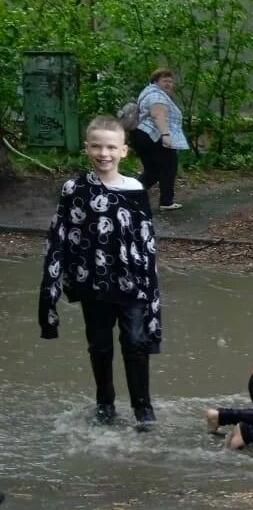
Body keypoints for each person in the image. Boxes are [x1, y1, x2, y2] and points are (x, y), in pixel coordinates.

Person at [40, 116, 161, 431]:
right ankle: (105, 404)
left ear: (123, 151)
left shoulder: (135, 189)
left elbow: (146, 241)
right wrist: (53, 286)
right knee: (100, 344)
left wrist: (150, 287)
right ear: (87, 148)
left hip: (131, 281)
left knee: (135, 342)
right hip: (92, 280)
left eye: (110, 147)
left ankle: (142, 408)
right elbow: (60, 236)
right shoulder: (74, 188)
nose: (103, 153)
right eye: (97, 146)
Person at [131, 68, 189, 211]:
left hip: (141, 135)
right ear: (156, 81)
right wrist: (166, 135)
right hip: (154, 136)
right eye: (165, 81)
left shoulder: (147, 93)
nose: (169, 84)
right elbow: (157, 114)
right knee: (169, 166)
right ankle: (166, 201)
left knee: (153, 171)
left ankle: (128, 195)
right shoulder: (157, 95)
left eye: (170, 81)